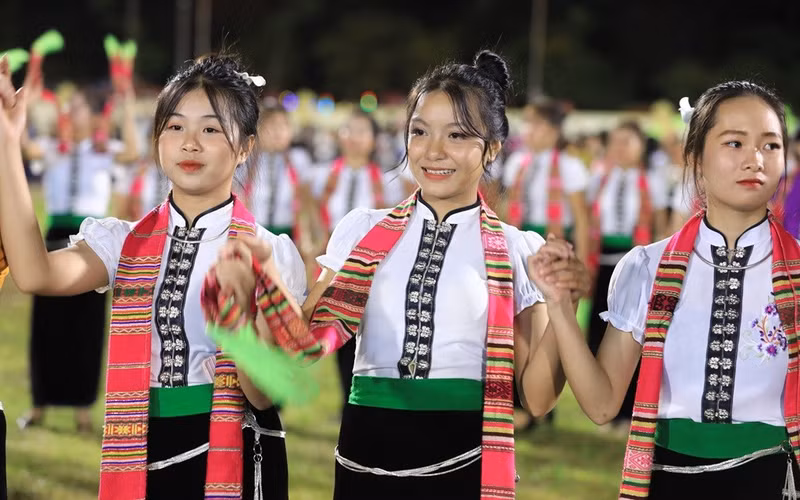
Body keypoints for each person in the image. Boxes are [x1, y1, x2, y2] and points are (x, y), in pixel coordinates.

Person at [211, 50, 588, 500]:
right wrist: (265, 275)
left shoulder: (516, 248)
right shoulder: (362, 230)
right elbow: (302, 344)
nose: (433, 151)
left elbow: (538, 397)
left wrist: (566, 299)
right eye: (420, 131)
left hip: (464, 461)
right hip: (364, 458)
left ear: (491, 148)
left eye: (457, 135)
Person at [0, 53, 306, 499]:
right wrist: (8, 143)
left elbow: (263, 396)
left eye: (211, 129)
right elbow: (33, 273)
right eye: (176, 126)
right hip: (139, 446)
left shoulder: (268, 252)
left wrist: (240, 323)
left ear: (245, 148)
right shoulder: (125, 243)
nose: (190, 143)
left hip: (232, 455)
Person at [542, 80, 800, 498]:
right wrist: (557, 303)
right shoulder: (648, 267)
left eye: (770, 145)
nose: (755, 159)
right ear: (695, 157)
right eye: (734, 143)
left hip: (772, 482)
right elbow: (602, 404)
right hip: (669, 482)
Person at [17, 82, 139, 432]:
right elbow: (26, 147)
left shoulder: (103, 150)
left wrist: (127, 107)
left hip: (91, 242)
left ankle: (83, 407)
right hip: (55, 237)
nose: (73, 112)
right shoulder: (55, 148)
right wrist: (24, 109)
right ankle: (40, 403)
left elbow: (132, 150)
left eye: (81, 105)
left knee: (85, 327)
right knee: (46, 327)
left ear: (96, 113)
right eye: (70, 106)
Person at [312, 109, 399, 408]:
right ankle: (346, 397)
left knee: (371, 330)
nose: (355, 138)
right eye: (350, 130)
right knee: (338, 331)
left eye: (363, 132)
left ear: (374, 140)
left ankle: (371, 395)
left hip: (371, 266)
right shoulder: (325, 174)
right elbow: (312, 210)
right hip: (336, 265)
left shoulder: (387, 180)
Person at [585, 119, 668, 433]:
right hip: (603, 262)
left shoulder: (652, 181)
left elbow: (660, 226)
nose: (619, 149)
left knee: (633, 338)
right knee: (598, 331)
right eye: (615, 142)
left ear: (640, 146)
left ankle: (628, 410)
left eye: (627, 142)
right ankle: (602, 404)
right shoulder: (600, 178)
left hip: (637, 267)